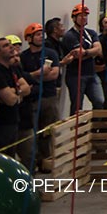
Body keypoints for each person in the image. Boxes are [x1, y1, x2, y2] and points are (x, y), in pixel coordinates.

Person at [20, 24, 61, 166]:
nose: (40, 37)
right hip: (31, 100)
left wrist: (32, 77)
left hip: (48, 96)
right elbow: (21, 78)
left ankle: (46, 160)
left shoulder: (51, 53)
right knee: (33, 132)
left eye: (41, 34)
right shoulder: (23, 57)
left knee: (48, 130)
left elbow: (54, 74)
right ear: (29, 38)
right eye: (37, 35)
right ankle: (35, 161)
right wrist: (38, 73)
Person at [0, 35, 31, 160]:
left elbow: (27, 89)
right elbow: (10, 100)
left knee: (12, 156)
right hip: (1, 124)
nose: (11, 47)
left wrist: (14, 91)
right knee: (2, 158)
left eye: (10, 44)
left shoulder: (13, 68)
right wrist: (18, 92)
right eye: (6, 45)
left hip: (15, 120)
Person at [61, 3, 104, 112]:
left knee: (99, 101)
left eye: (85, 15)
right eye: (81, 16)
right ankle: (76, 128)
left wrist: (86, 53)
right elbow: (78, 54)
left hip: (91, 73)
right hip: (76, 75)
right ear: (74, 18)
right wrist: (90, 53)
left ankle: (94, 127)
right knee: (77, 106)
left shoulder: (91, 33)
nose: (84, 18)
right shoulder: (69, 36)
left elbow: (98, 50)